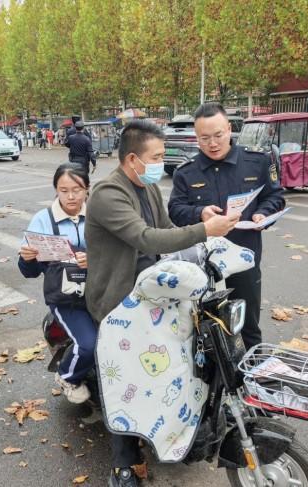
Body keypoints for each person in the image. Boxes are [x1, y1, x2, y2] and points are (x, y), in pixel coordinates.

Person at [85, 119, 240, 486]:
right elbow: (146, 238)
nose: (160, 163)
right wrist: (204, 230)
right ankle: (124, 464)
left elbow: (167, 229)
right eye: (155, 157)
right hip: (120, 301)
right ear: (133, 159)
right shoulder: (108, 194)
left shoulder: (149, 187)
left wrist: (203, 225)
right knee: (126, 381)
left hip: (155, 291)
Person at [168, 102, 285, 350]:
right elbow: (176, 210)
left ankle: (250, 370)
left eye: (218, 135)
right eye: (204, 138)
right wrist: (200, 213)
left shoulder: (256, 162)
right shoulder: (186, 172)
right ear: (197, 137)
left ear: (229, 129)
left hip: (244, 261)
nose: (212, 143)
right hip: (202, 267)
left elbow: (275, 197)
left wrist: (262, 214)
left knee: (248, 327)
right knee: (202, 329)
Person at [18, 163, 95, 403]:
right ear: (56, 190)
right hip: (66, 299)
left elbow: (116, 252)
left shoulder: (99, 215)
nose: (71, 196)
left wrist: (94, 259)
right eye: (64, 190)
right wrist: (27, 259)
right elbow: (29, 272)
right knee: (89, 345)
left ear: (87, 188)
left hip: (100, 293)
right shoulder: (43, 220)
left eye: (77, 189)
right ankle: (67, 376)